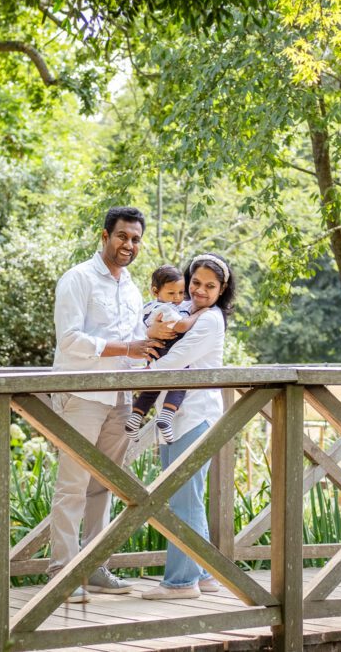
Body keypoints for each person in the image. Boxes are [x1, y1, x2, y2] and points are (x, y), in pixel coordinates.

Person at [50, 206, 171, 604]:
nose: (129, 245)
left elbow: (135, 342)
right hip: (81, 395)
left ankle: (95, 566)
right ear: (104, 236)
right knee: (72, 485)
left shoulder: (133, 289)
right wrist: (128, 346)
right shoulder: (78, 279)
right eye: (122, 236)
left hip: (120, 399)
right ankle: (62, 575)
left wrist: (156, 338)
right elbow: (69, 340)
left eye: (135, 239)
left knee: (103, 486)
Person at [139, 252, 236, 600]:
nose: (200, 290)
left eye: (210, 286)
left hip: (195, 414)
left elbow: (177, 359)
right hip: (177, 417)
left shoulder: (209, 319)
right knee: (185, 497)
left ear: (221, 289)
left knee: (184, 501)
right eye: (195, 283)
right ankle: (204, 573)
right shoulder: (184, 313)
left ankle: (181, 583)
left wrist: (139, 372)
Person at [125, 265, 204, 443]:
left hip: (156, 351)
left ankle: (135, 418)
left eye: (181, 293)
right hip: (168, 349)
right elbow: (181, 326)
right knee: (183, 380)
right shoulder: (166, 309)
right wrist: (200, 313)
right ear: (155, 291)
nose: (177, 298)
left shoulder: (149, 307)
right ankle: (166, 418)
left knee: (152, 388)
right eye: (171, 293)